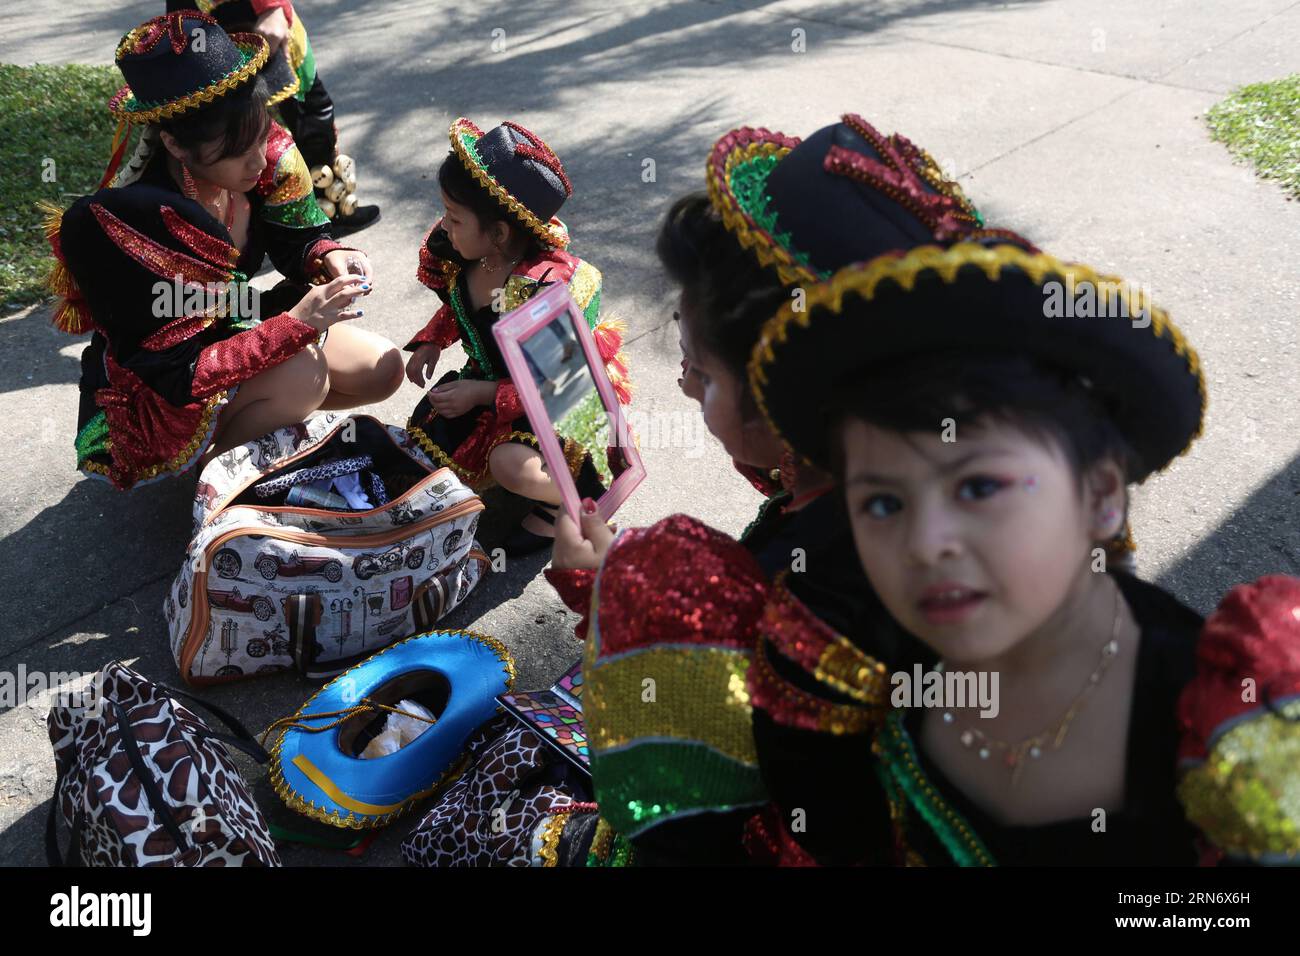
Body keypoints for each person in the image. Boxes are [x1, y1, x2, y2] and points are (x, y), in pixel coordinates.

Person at [536, 115, 1030, 866]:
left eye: (700, 371)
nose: (682, 381)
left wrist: (606, 586)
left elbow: (678, 820)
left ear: (790, 413)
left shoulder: (801, 593)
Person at [743, 233, 1210, 863]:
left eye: (980, 486)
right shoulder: (883, 661)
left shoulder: (1217, 721)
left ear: (1101, 497)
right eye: (882, 503)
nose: (925, 545)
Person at [45, 12, 400, 490]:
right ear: (173, 143)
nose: (257, 161)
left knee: (383, 370)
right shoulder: (137, 225)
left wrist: (325, 253)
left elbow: (297, 237)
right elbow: (175, 371)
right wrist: (297, 325)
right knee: (305, 375)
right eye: (235, 150)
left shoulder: (267, 156)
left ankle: (254, 435)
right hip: (167, 380)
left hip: (237, 321)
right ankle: (220, 480)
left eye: (258, 137)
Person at [402, 117, 630, 557]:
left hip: (554, 405)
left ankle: (581, 499)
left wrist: (482, 393)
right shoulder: (468, 258)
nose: (443, 227)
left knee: (510, 466)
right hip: (492, 381)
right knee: (427, 430)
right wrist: (431, 341)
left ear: (500, 233)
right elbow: (459, 310)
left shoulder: (540, 292)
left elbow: (557, 389)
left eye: (453, 218)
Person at [164, 0, 380, 232]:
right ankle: (304, 220)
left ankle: (312, 214)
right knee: (288, 119)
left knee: (255, 123)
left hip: (220, 21)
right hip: (243, 19)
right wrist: (271, 6)